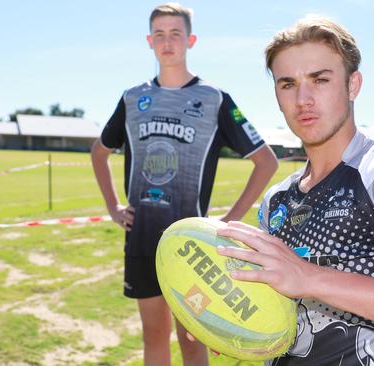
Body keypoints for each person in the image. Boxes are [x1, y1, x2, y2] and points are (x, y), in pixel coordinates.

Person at [212, 16, 374, 365]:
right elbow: (278, 305)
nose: (303, 99)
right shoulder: (276, 199)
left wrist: (309, 276)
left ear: (353, 85)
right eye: (287, 84)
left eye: (320, 80)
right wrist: (226, 321)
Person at [90, 3, 278, 365]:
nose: (167, 41)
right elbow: (99, 153)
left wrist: (227, 221)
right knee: (153, 337)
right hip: (142, 238)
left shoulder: (214, 98)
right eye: (159, 34)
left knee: (194, 342)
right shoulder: (133, 99)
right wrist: (113, 207)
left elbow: (265, 161)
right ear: (149, 41)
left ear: (190, 39)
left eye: (175, 33)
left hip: (191, 248)